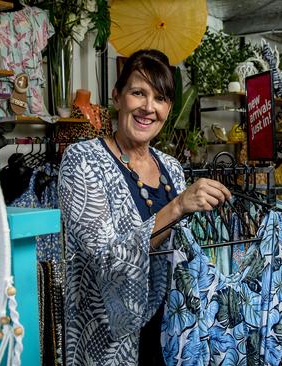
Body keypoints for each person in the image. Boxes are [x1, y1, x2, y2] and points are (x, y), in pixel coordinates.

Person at [57, 49, 231, 365]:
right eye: (138, 93)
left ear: (169, 108)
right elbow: (105, 260)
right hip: (109, 341)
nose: (148, 108)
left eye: (160, 98)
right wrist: (178, 206)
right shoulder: (82, 161)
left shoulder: (172, 168)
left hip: (172, 336)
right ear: (117, 96)